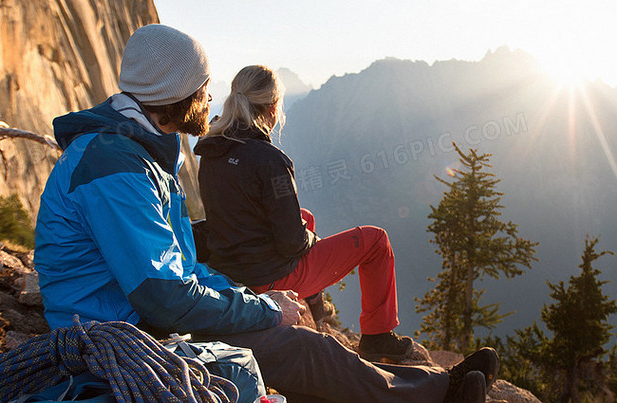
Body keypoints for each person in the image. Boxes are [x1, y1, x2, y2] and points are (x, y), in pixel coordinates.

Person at [33, 24, 497, 403]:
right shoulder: (117, 168)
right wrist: (263, 307)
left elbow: (180, 266)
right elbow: (165, 295)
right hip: (124, 333)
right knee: (299, 348)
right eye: (204, 89)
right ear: (179, 96)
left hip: (135, 318)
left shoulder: (139, 153)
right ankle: (439, 392)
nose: (209, 100)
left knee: (297, 347)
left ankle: (424, 384)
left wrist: (245, 298)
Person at [194, 65, 414, 362]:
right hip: (268, 277)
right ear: (273, 107)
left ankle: (314, 307)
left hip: (231, 268)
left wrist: (302, 229)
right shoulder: (271, 160)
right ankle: (378, 336)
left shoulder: (212, 151)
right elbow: (291, 243)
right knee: (375, 241)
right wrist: (311, 238)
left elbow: (234, 214)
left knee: (304, 214)